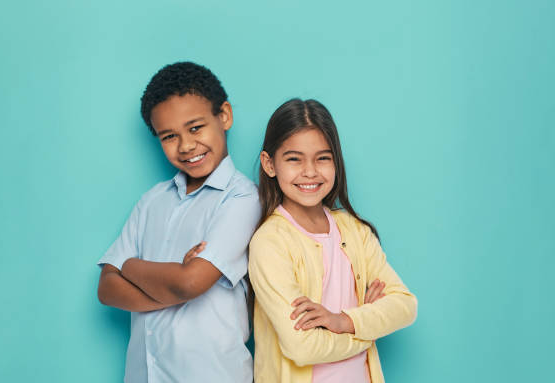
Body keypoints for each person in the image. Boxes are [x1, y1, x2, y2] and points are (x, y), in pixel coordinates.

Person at [97, 62, 260, 383]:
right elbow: (106, 288)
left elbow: (191, 282)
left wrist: (128, 267)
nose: (186, 145)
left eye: (196, 127)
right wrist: (175, 289)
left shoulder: (242, 198)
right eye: (169, 136)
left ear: (224, 116)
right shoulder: (152, 201)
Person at [248, 98, 417, 383]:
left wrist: (344, 321)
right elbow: (301, 347)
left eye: (323, 158)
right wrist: (368, 329)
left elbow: (404, 305)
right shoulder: (270, 243)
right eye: (294, 159)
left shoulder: (354, 230)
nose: (310, 171)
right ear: (269, 164)